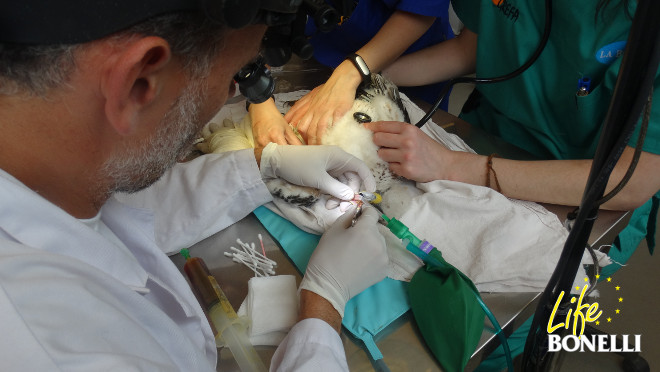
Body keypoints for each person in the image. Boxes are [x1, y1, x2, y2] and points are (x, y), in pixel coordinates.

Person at [0, 3, 388, 371]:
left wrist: (265, 167)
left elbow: (126, 212)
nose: (226, 97)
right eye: (233, 79)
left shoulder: (47, 173)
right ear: (137, 83)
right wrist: (322, 306)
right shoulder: (54, 349)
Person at [367, 0, 660, 369]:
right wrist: (364, 73)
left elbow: (629, 182)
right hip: (487, 137)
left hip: (588, 199)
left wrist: (452, 165)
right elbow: (469, 48)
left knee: (468, 338)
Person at [251, 0, 453, 147]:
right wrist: (258, 98)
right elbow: (251, 16)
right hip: (325, 61)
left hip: (409, 67)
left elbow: (420, 9)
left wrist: (351, 73)